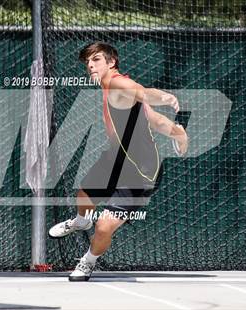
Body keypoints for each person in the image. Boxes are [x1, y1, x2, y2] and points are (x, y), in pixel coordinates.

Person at [49, 42, 188, 281]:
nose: (91, 65)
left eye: (97, 60)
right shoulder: (110, 91)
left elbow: (143, 92)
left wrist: (164, 96)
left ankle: (88, 261)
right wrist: (177, 132)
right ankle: (82, 222)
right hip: (115, 158)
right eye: (88, 62)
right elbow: (155, 120)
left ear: (111, 63)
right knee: (83, 194)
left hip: (140, 171)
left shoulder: (117, 83)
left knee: (103, 226)